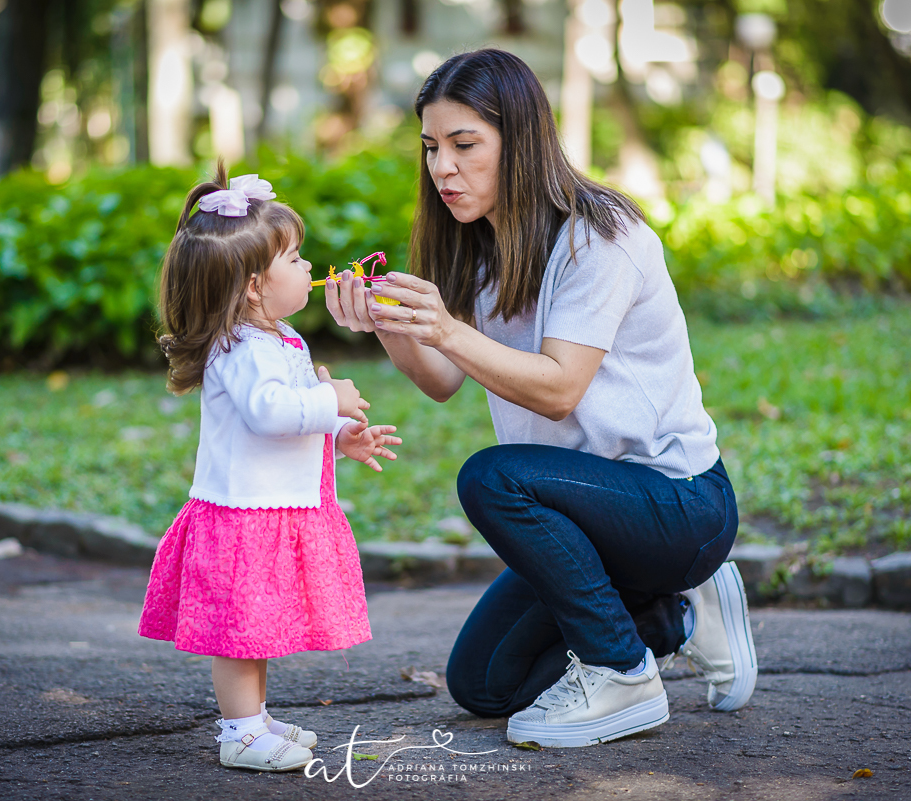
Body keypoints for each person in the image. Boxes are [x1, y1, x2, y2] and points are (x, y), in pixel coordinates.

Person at [324, 49, 757, 748]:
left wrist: (446, 328)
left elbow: (558, 389)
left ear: (519, 141)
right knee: (484, 684)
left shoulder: (599, 237)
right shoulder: (480, 247)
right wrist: (390, 325)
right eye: (432, 148)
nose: (442, 168)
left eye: (466, 145)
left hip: (678, 505)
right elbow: (440, 381)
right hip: (590, 519)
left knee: (492, 477)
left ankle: (623, 673)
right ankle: (674, 616)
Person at [137, 166, 403, 771]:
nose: (310, 267)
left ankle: (253, 719)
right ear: (255, 286)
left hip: (270, 510)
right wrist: (330, 401)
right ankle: (239, 732)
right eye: (296, 259)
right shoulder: (239, 347)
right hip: (241, 516)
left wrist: (340, 435)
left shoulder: (279, 338)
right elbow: (270, 413)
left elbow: (293, 421)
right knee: (238, 633)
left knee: (254, 627)